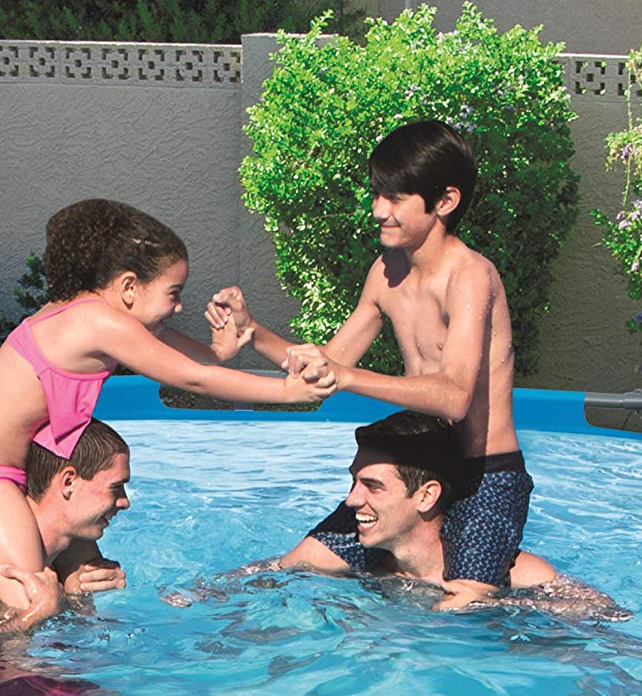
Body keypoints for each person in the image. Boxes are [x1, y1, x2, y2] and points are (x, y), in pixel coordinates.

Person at [210, 120, 564, 609]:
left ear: (445, 201)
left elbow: (454, 396)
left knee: (463, 602)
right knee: (297, 563)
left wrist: (348, 378)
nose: (379, 210)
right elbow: (327, 368)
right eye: (378, 194)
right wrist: (253, 333)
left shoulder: (470, 276)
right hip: (419, 458)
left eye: (395, 198)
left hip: (484, 474)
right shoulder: (386, 271)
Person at [0, 198, 329, 625]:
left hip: (16, 472)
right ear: (129, 287)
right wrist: (288, 392)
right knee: (31, 600)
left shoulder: (103, 318)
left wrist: (223, 347)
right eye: (173, 293)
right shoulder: (96, 322)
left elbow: (198, 361)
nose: (179, 307)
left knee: (83, 590)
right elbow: (193, 379)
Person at [273, 410, 627, 618]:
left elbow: (607, 618)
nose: (351, 500)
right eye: (354, 482)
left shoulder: (515, 577)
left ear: (426, 496)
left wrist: (504, 607)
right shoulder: (357, 570)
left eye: (372, 486)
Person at [0, 419, 134, 632]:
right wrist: (34, 616)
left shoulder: (71, 557)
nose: (125, 502)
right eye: (115, 487)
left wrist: (86, 600)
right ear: (68, 482)